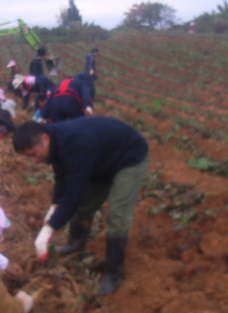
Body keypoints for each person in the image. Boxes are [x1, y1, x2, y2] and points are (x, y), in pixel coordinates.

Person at [12, 118, 149, 295]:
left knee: (117, 215)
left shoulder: (74, 145)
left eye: (33, 154)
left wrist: (48, 229)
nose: (33, 160)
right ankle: (75, 244)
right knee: (85, 205)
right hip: (102, 160)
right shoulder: (56, 142)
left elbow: (73, 194)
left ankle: (114, 275)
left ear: (45, 139)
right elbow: (62, 177)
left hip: (128, 157)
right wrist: (54, 206)